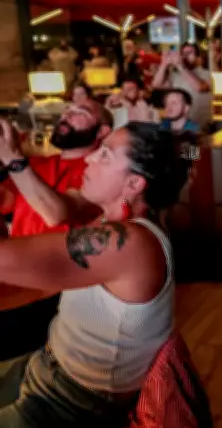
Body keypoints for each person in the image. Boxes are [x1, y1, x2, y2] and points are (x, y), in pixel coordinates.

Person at [0, 122, 192, 427]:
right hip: (47, 366)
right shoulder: (114, 218)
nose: (89, 159)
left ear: (133, 184)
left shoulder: (128, 243)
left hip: (71, 401)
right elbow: (59, 209)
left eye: (104, 155)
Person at [0, 100, 113, 236]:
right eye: (67, 109)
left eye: (80, 112)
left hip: (59, 257)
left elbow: (56, 215)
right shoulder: (36, 164)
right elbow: (6, 201)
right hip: (16, 253)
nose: (66, 115)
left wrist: (12, 158)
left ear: (101, 131)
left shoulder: (101, 172)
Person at [151, 42, 212, 130]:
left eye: (189, 53)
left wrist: (180, 65)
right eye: (183, 53)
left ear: (198, 58)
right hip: (181, 126)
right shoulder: (175, 75)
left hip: (201, 126)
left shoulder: (206, 74)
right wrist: (164, 63)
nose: (185, 56)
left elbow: (200, 87)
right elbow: (156, 85)